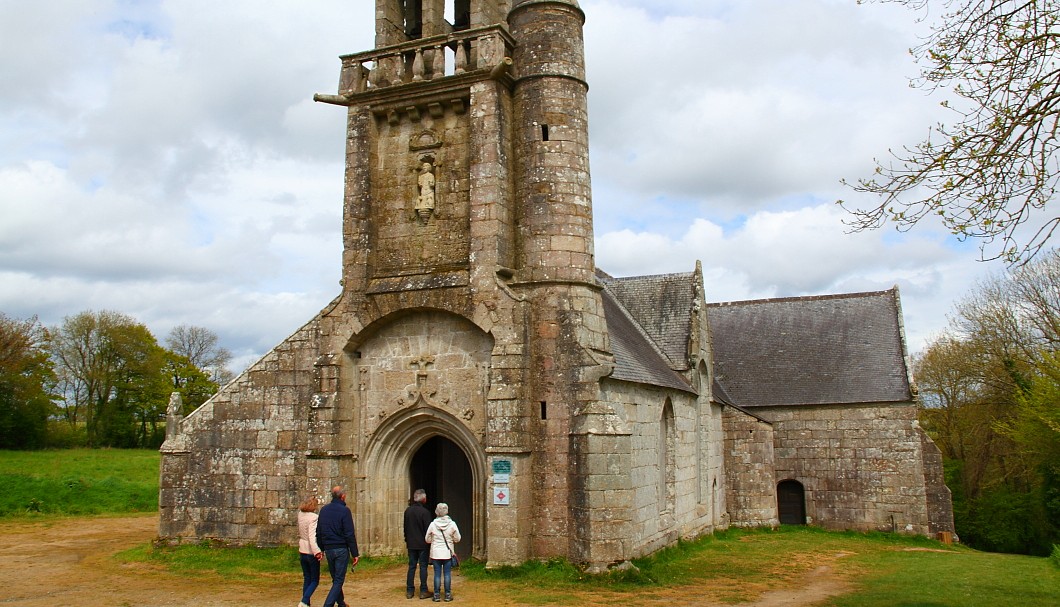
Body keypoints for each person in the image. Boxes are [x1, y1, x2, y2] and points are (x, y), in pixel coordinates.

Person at [316, 485, 360, 607]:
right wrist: (355, 553)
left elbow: (319, 531)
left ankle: (341, 603)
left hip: (329, 548)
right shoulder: (344, 511)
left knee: (336, 579)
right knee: (339, 580)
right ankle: (328, 605)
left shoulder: (324, 510)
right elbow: (349, 533)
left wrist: (321, 548)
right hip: (340, 549)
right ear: (343, 496)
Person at [424, 502, 460, 602]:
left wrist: (433, 541)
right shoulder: (452, 524)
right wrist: (451, 540)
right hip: (447, 553)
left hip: (436, 553)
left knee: (437, 574)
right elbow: (458, 538)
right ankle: (448, 594)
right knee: (447, 574)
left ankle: (436, 595)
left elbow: (427, 539)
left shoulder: (432, 524)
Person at [403, 489, 433, 599]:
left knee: (411, 566)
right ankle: (423, 590)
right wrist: (429, 542)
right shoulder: (425, 513)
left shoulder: (408, 511)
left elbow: (405, 528)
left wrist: (407, 539)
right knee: (423, 566)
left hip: (411, 544)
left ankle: (410, 590)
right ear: (424, 499)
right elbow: (428, 530)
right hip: (422, 544)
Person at [297, 495, 323, 607]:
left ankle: (306, 603)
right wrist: (317, 551)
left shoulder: (300, 514)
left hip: (302, 550)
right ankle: (304, 601)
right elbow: (312, 537)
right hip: (310, 551)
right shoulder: (314, 517)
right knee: (314, 580)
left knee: (307, 577)